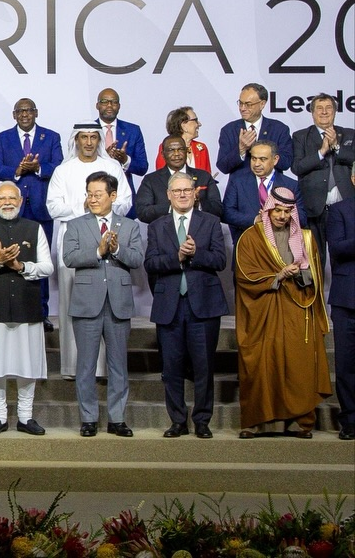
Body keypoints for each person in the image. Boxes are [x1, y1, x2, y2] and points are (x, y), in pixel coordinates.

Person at [234, 187, 331, 438]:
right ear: (267, 210)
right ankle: (257, 422)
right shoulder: (251, 238)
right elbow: (245, 275)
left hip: (297, 308)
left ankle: (300, 421)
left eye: (287, 212)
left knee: (299, 363)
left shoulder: (305, 239)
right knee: (262, 363)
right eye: (277, 210)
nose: (282, 216)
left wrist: (298, 273)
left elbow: (315, 275)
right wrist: (278, 275)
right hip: (264, 310)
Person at [144, 171, 228, 439]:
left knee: (204, 366)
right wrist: (177, 257)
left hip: (203, 305)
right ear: (168, 195)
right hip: (169, 306)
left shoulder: (211, 222)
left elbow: (220, 261)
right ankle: (177, 421)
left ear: (195, 194)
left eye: (187, 190)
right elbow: (150, 263)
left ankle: (202, 420)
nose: (182, 195)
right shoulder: (157, 226)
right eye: (177, 191)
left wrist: (196, 254)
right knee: (171, 368)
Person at [62, 172, 145, 438]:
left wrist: (117, 249)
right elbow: (69, 257)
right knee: (85, 365)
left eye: (98, 194)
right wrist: (98, 252)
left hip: (118, 303)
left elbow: (137, 259)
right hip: (87, 303)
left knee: (118, 364)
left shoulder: (129, 226)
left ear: (113, 195)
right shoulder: (75, 225)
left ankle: (117, 418)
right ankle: (88, 418)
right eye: (89, 194)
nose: (93, 199)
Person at [47, 122, 131, 378]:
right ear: (76, 140)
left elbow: (125, 202)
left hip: (109, 239)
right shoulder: (63, 170)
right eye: (83, 137)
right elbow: (52, 207)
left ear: (99, 140)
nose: (88, 142)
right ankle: (73, 367)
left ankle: (104, 369)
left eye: (93, 137)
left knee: (107, 304)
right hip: (74, 243)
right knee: (74, 305)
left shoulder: (112, 167)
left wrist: (103, 209)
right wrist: (82, 207)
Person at [0, 182, 53, 435]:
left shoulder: (34, 228)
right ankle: (0, 416)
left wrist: (21, 267)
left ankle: (26, 417)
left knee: (28, 364)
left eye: (12, 198)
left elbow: (47, 267)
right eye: (2, 199)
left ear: (20, 200)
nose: (7, 203)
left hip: (27, 305)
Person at [0, 98, 62, 327]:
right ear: (14, 115)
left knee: (40, 260)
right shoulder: (2, 138)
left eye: (29, 110)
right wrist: (17, 170)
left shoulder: (51, 137)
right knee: (12, 259)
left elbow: (59, 165)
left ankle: (42, 313)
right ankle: (15, 310)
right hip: (12, 209)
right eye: (20, 111)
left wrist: (38, 168)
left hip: (40, 210)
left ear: (36, 113)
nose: (25, 114)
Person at [290, 93, 354, 253]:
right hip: (314, 209)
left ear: (335, 111)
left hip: (344, 208)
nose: (324, 112)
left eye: (328, 108)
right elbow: (297, 167)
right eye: (319, 108)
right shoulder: (300, 137)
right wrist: (321, 152)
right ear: (312, 112)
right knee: (315, 258)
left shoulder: (350, 134)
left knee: (343, 255)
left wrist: (337, 146)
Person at [223, 141, 303, 244]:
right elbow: (226, 213)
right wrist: (255, 219)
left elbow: (302, 218)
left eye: (263, 159)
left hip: (282, 244)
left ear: (275, 160)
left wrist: (277, 218)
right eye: (254, 158)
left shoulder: (291, 185)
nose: (256, 164)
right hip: (247, 243)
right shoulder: (237, 182)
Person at [326, 172, 355, 440]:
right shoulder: (339, 210)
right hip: (347, 299)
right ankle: (350, 419)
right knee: (346, 365)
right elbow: (336, 248)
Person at [135, 136, 223, 222]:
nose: (176, 154)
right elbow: (142, 212)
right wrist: (173, 207)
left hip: (199, 230)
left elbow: (218, 210)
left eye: (180, 149)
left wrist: (198, 203)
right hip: (165, 230)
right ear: (163, 154)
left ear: (187, 151)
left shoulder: (204, 176)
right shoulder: (151, 180)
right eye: (171, 150)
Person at [217, 82, 294, 176]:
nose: (242, 108)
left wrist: (265, 153)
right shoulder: (229, 130)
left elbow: (286, 163)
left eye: (248, 104)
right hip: (240, 184)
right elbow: (223, 166)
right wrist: (241, 149)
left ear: (262, 104)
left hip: (271, 184)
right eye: (240, 103)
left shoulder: (279, 129)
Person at [94, 88, 149, 198]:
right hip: (95, 194)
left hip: (124, 195)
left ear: (119, 106)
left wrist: (125, 160)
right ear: (97, 105)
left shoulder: (133, 131)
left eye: (114, 102)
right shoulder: (87, 131)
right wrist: (104, 157)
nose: (109, 105)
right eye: (104, 101)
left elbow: (142, 167)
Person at [154, 106, 211, 173]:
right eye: (195, 120)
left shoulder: (201, 148)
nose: (199, 124)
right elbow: (161, 175)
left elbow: (207, 175)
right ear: (184, 126)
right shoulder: (167, 146)